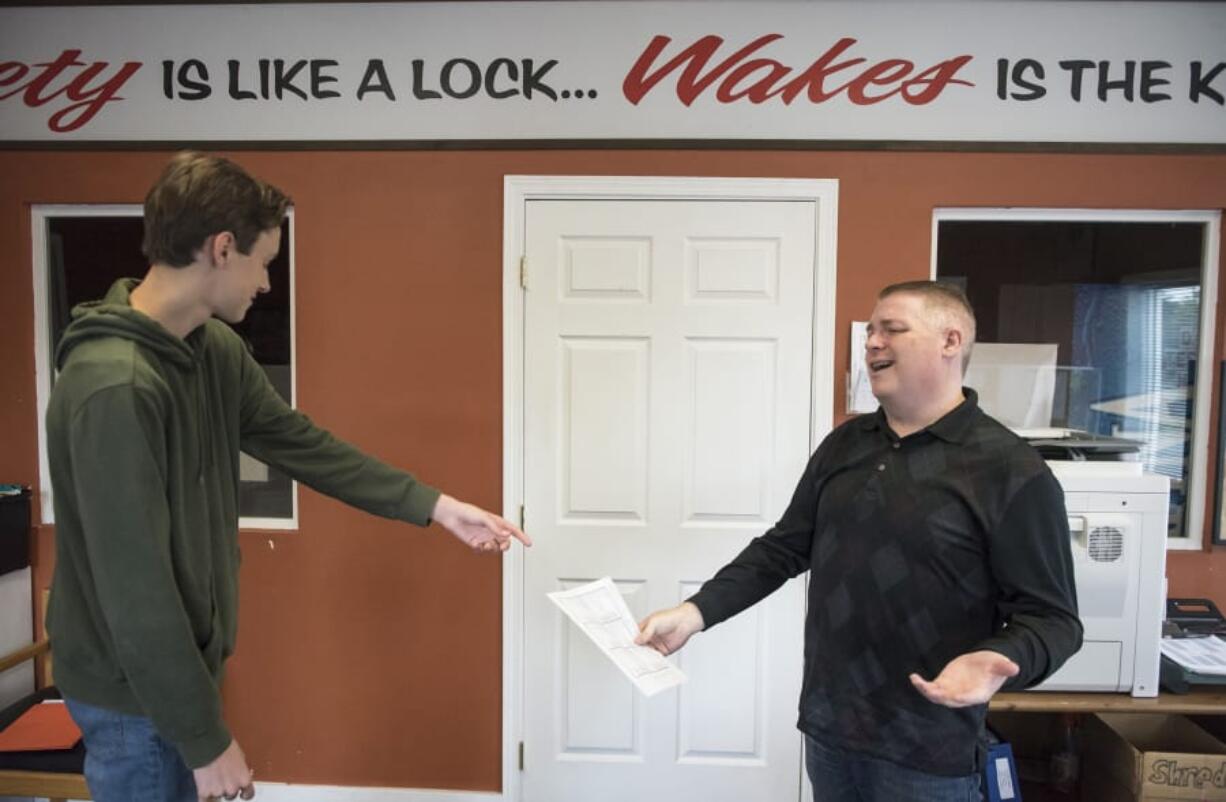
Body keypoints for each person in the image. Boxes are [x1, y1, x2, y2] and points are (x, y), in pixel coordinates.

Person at [44, 151, 531, 802]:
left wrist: (436, 506)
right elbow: (136, 592)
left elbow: (302, 444)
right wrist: (204, 739)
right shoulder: (115, 387)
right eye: (264, 261)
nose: (268, 284)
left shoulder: (211, 350)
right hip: (130, 694)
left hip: (180, 668)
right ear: (222, 248)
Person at [636, 280, 1082, 802]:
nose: (872, 342)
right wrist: (695, 613)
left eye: (892, 329)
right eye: (871, 331)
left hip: (928, 751)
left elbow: (1055, 621)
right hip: (830, 733)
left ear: (950, 341)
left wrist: (1001, 656)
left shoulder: (1010, 470)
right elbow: (783, 547)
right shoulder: (846, 444)